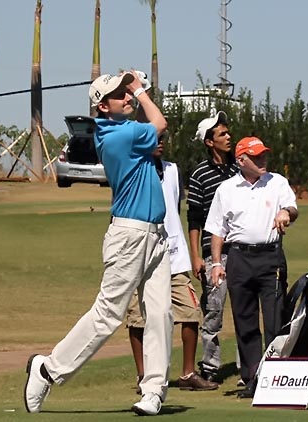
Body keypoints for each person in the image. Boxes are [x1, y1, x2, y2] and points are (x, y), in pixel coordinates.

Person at [23, 71, 173, 416]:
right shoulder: (119, 135)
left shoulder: (127, 131)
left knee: (161, 313)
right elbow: (160, 123)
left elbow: (153, 135)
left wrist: (134, 90)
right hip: (130, 236)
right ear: (103, 106)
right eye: (120, 94)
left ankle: (153, 391)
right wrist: (142, 89)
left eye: (127, 92)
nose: (128, 97)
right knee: (108, 314)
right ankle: (48, 369)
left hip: (156, 235)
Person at [205, 136, 298, 398]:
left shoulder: (277, 181)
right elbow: (216, 230)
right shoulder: (226, 189)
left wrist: (286, 213)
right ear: (241, 160)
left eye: (264, 155)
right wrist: (215, 263)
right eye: (257, 157)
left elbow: (291, 206)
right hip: (239, 258)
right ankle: (253, 379)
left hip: (271, 257)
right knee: (244, 322)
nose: (263, 160)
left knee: (275, 320)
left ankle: (277, 378)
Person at [126, 135, 218, 392]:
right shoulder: (133, 168)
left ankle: (188, 373)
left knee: (190, 313)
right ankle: (143, 377)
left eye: (163, 139)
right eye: (154, 139)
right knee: (137, 318)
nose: (161, 143)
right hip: (140, 255)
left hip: (174, 256)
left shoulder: (172, 169)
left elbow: (174, 208)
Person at [186, 111, 238, 383]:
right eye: (222, 134)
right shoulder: (199, 174)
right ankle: (209, 367)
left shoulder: (240, 169)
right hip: (212, 253)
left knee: (244, 309)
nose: (228, 137)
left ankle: (249, 366)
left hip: (241, 250)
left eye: (228, 133)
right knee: (214, 311)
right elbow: (194, 217)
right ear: (209, 142)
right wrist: (196, 256)